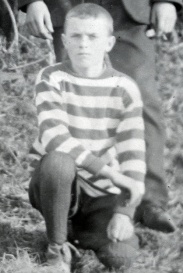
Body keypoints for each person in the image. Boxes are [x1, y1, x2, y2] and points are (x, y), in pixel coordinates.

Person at [18, 0, 182, 233]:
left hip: (129, 10)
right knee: (77, 97)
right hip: (69, 7)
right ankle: (77, 203)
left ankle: (148, 201)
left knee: (142, 100)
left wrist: (168, 1)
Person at [28, 3, 146, 271]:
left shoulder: (124, 87)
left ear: (109, 43)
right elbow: (54, 138)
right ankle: (57, 249)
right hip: (59, 183)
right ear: (64, 41)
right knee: (58, 162)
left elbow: (133, 154)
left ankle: (78, 231)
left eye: (93, 37)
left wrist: (124, 211)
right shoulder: (51, 77)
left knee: (120, 257)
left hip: (103, 193)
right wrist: (110, 172)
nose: (84, 44)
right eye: (77, 36)